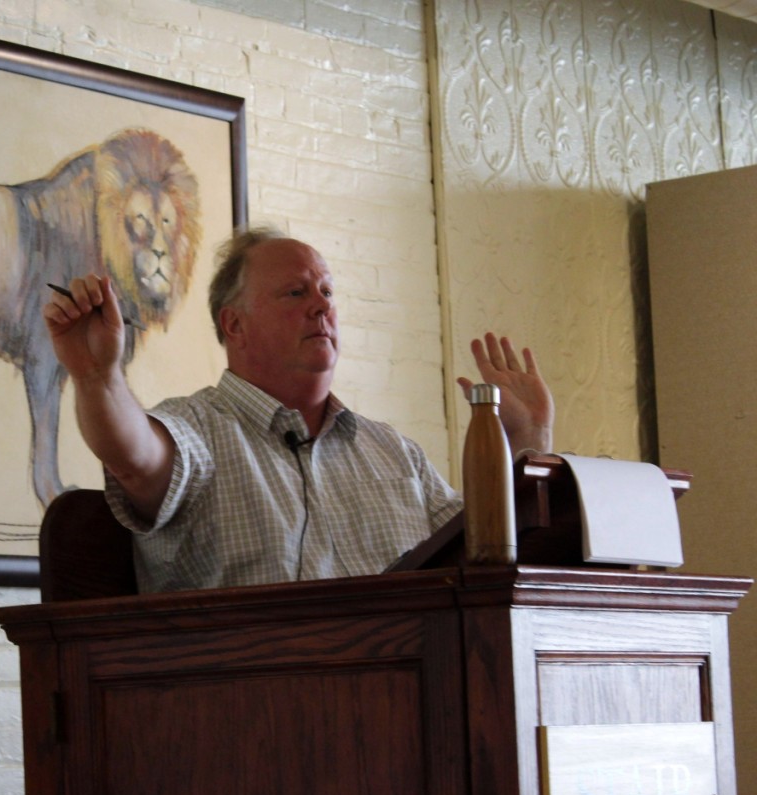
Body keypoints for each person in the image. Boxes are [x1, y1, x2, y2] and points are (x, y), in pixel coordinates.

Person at [43, 226, 554, 593]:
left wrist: (529, 443)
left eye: (327, 291)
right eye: (295, 292)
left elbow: (486, 564)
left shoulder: (395, 453)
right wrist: (97, 375)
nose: (322, 306)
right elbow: (134, 455)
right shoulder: (198, 427)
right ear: (235, 325)